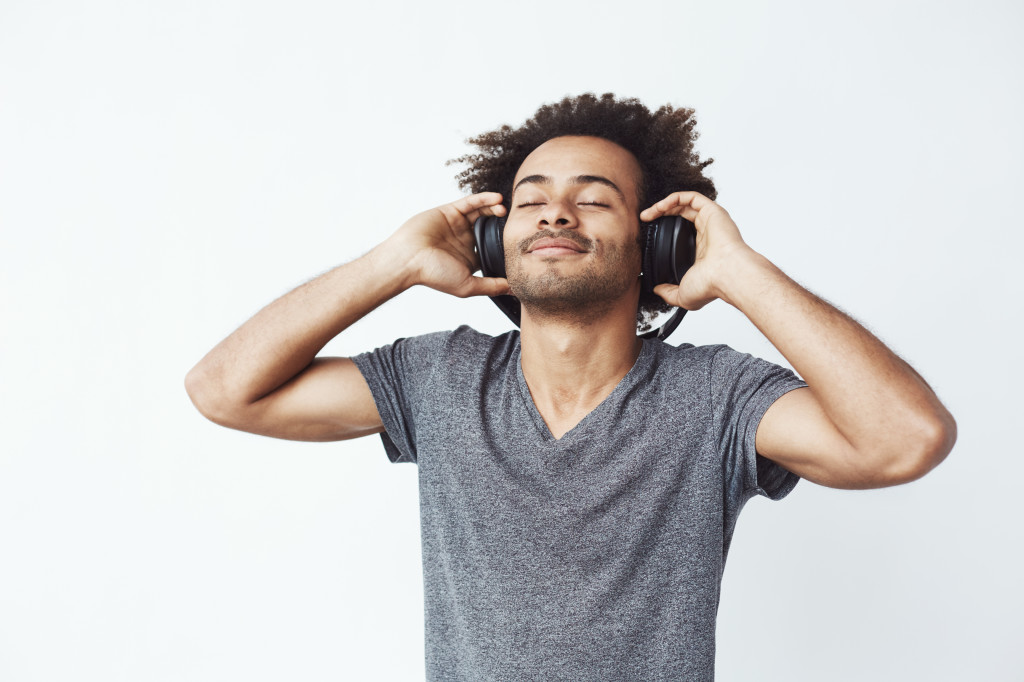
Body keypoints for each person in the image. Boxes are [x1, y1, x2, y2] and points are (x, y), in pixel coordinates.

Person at [185, 93, 956, 680]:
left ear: (657, 244)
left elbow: (905, 439)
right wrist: (394, 261)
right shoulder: (438, 379)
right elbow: (225, 390)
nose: (556, 209)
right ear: (495, 238)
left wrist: (743, 274)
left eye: (593, 197)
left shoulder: (717, 397)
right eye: (530, 199)